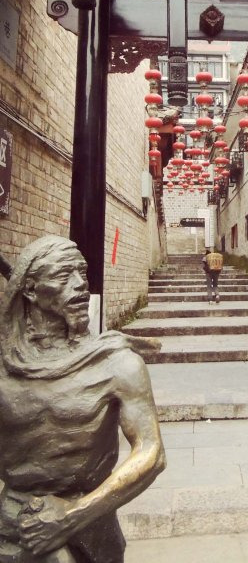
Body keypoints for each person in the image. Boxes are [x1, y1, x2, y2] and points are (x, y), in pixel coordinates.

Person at [0, 235, 166, 563]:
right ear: (30, 289)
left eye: (82, 273)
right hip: (13, 526)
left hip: (92, 526)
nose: (80, 285)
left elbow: (152, 453)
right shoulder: (6, 367)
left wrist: (73, 515)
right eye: (64, 275)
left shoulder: (117, 363)